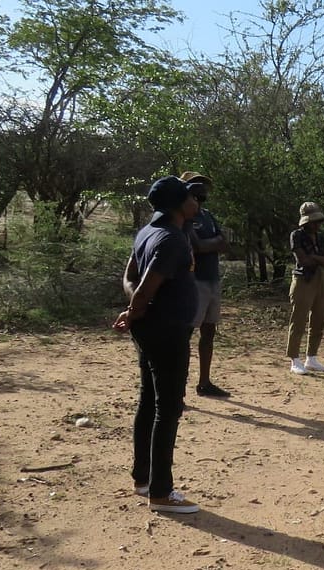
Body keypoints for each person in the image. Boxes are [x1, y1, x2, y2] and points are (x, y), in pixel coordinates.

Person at [113, 176, 201, 514]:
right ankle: (161, 492)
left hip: (150, 328)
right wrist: (135, 308)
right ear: (180, 204)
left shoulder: (148, 232)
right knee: (168, 408)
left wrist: (134, 311)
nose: (197, 203)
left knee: (149, 401)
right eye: (193, 198)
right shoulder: (170, 239)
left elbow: (129, 276)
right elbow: (145, 286)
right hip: (167, 332)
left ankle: (143, 478)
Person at [178, 171, 230, 398]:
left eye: (203, 186)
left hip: (212, 279)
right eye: (196, 186)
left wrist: (212, 244)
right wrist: (214, 243)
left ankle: (204, 382)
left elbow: (223, 242)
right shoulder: (184, 217)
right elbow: (196, 246)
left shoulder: (207, 215)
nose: (202, 190)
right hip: (194, 282)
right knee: (184, 335)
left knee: (209, 332)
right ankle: (177, 388)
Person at [286, 202, 324, 374]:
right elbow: (303, 261)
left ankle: (312, 357)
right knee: (299, 319)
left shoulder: (322, 238)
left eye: (318, 221)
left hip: (323, 279)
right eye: (313, 221)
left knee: (319, 318)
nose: (317, 225)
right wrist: (319, 258)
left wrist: (314, 257)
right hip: (303, 280)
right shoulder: (297, 235)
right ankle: (294, 359)